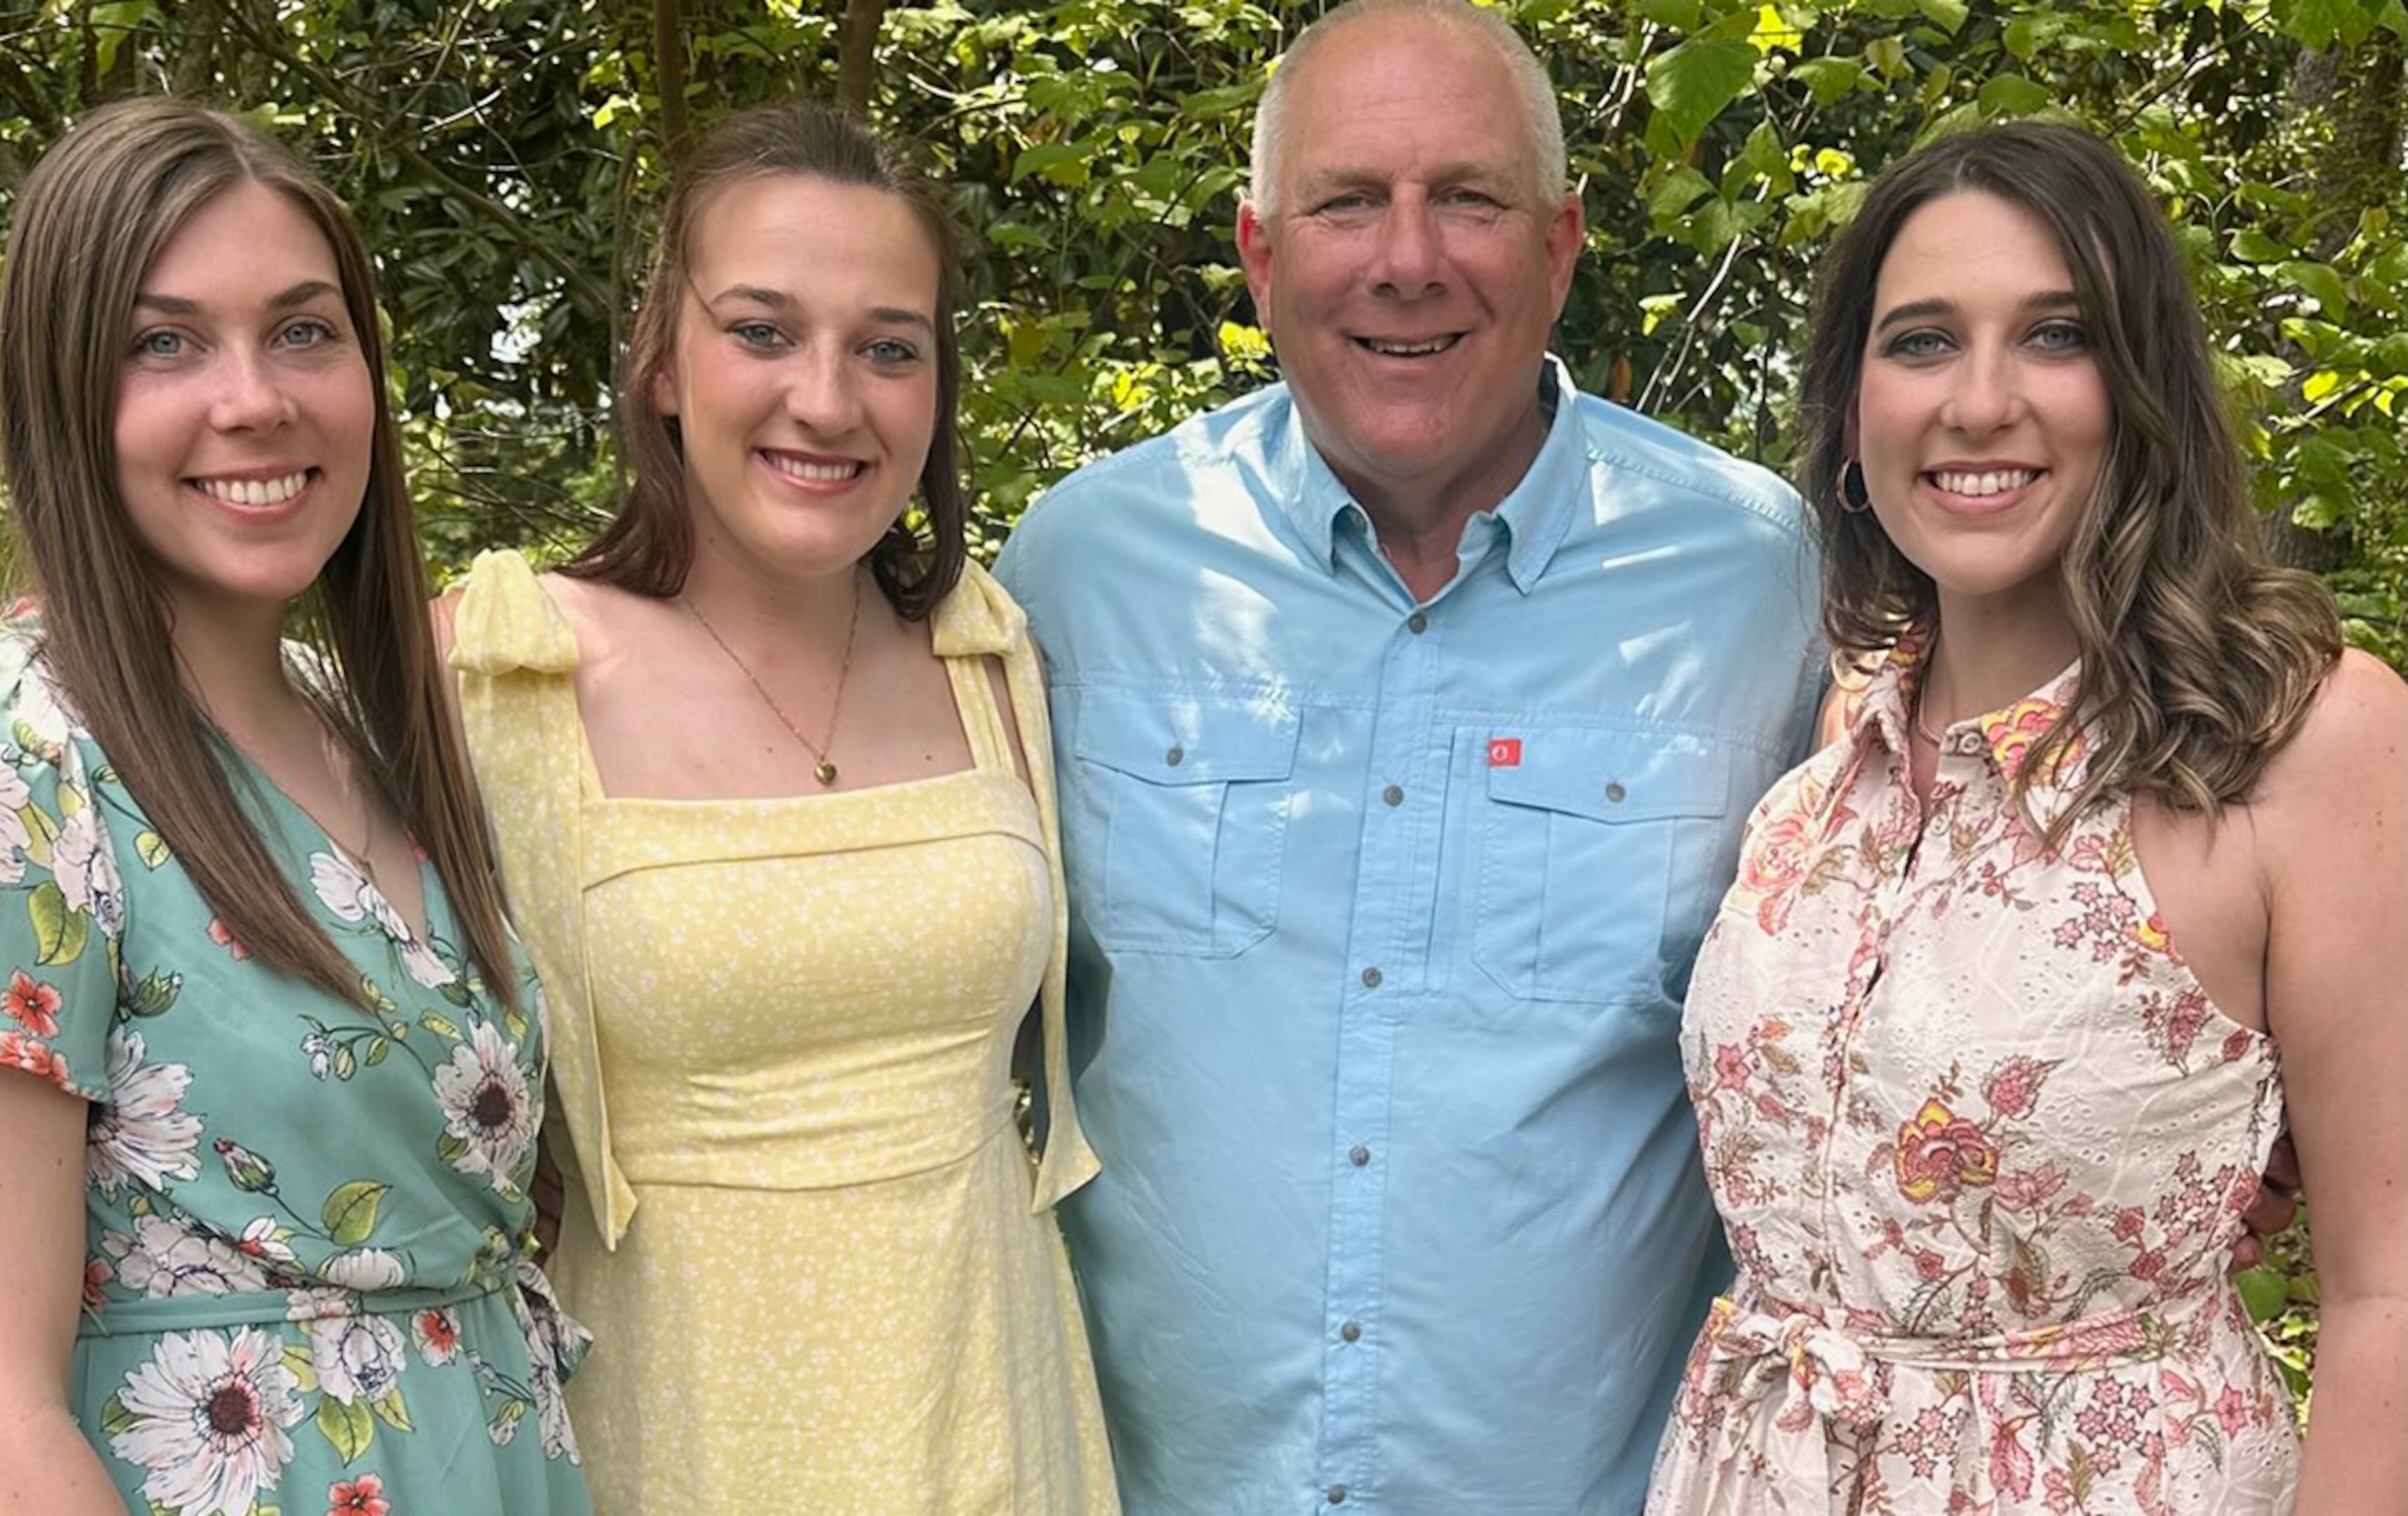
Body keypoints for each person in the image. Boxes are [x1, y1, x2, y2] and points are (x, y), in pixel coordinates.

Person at [992, 2, 1828, 1511]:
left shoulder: (1757, 582)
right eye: (1347, 202)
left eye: (1469, 197)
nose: (1407, 258)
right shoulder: (1084, 571)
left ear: (1562, 245)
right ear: (1259, 255)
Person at [0, 100, 589, 1516]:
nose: (255, 400)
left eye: (303, 331)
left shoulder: (372, 733)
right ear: (63, 395)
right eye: (164, 344)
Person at [1644, 120, 2408, 1515]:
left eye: (2056, 336)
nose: (1981, 401)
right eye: (1924, 341)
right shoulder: (1844, 748)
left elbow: (2389, 1297)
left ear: (2142, 387)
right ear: (1854, 411)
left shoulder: (2310, 742)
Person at [442, 100, 1118, 1515]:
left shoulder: (993, 658)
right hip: (684, 1438)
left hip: (996, 1426)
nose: (827, 399)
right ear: (661, 359)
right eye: (762, 330)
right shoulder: (502, 672)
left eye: (889, 347)